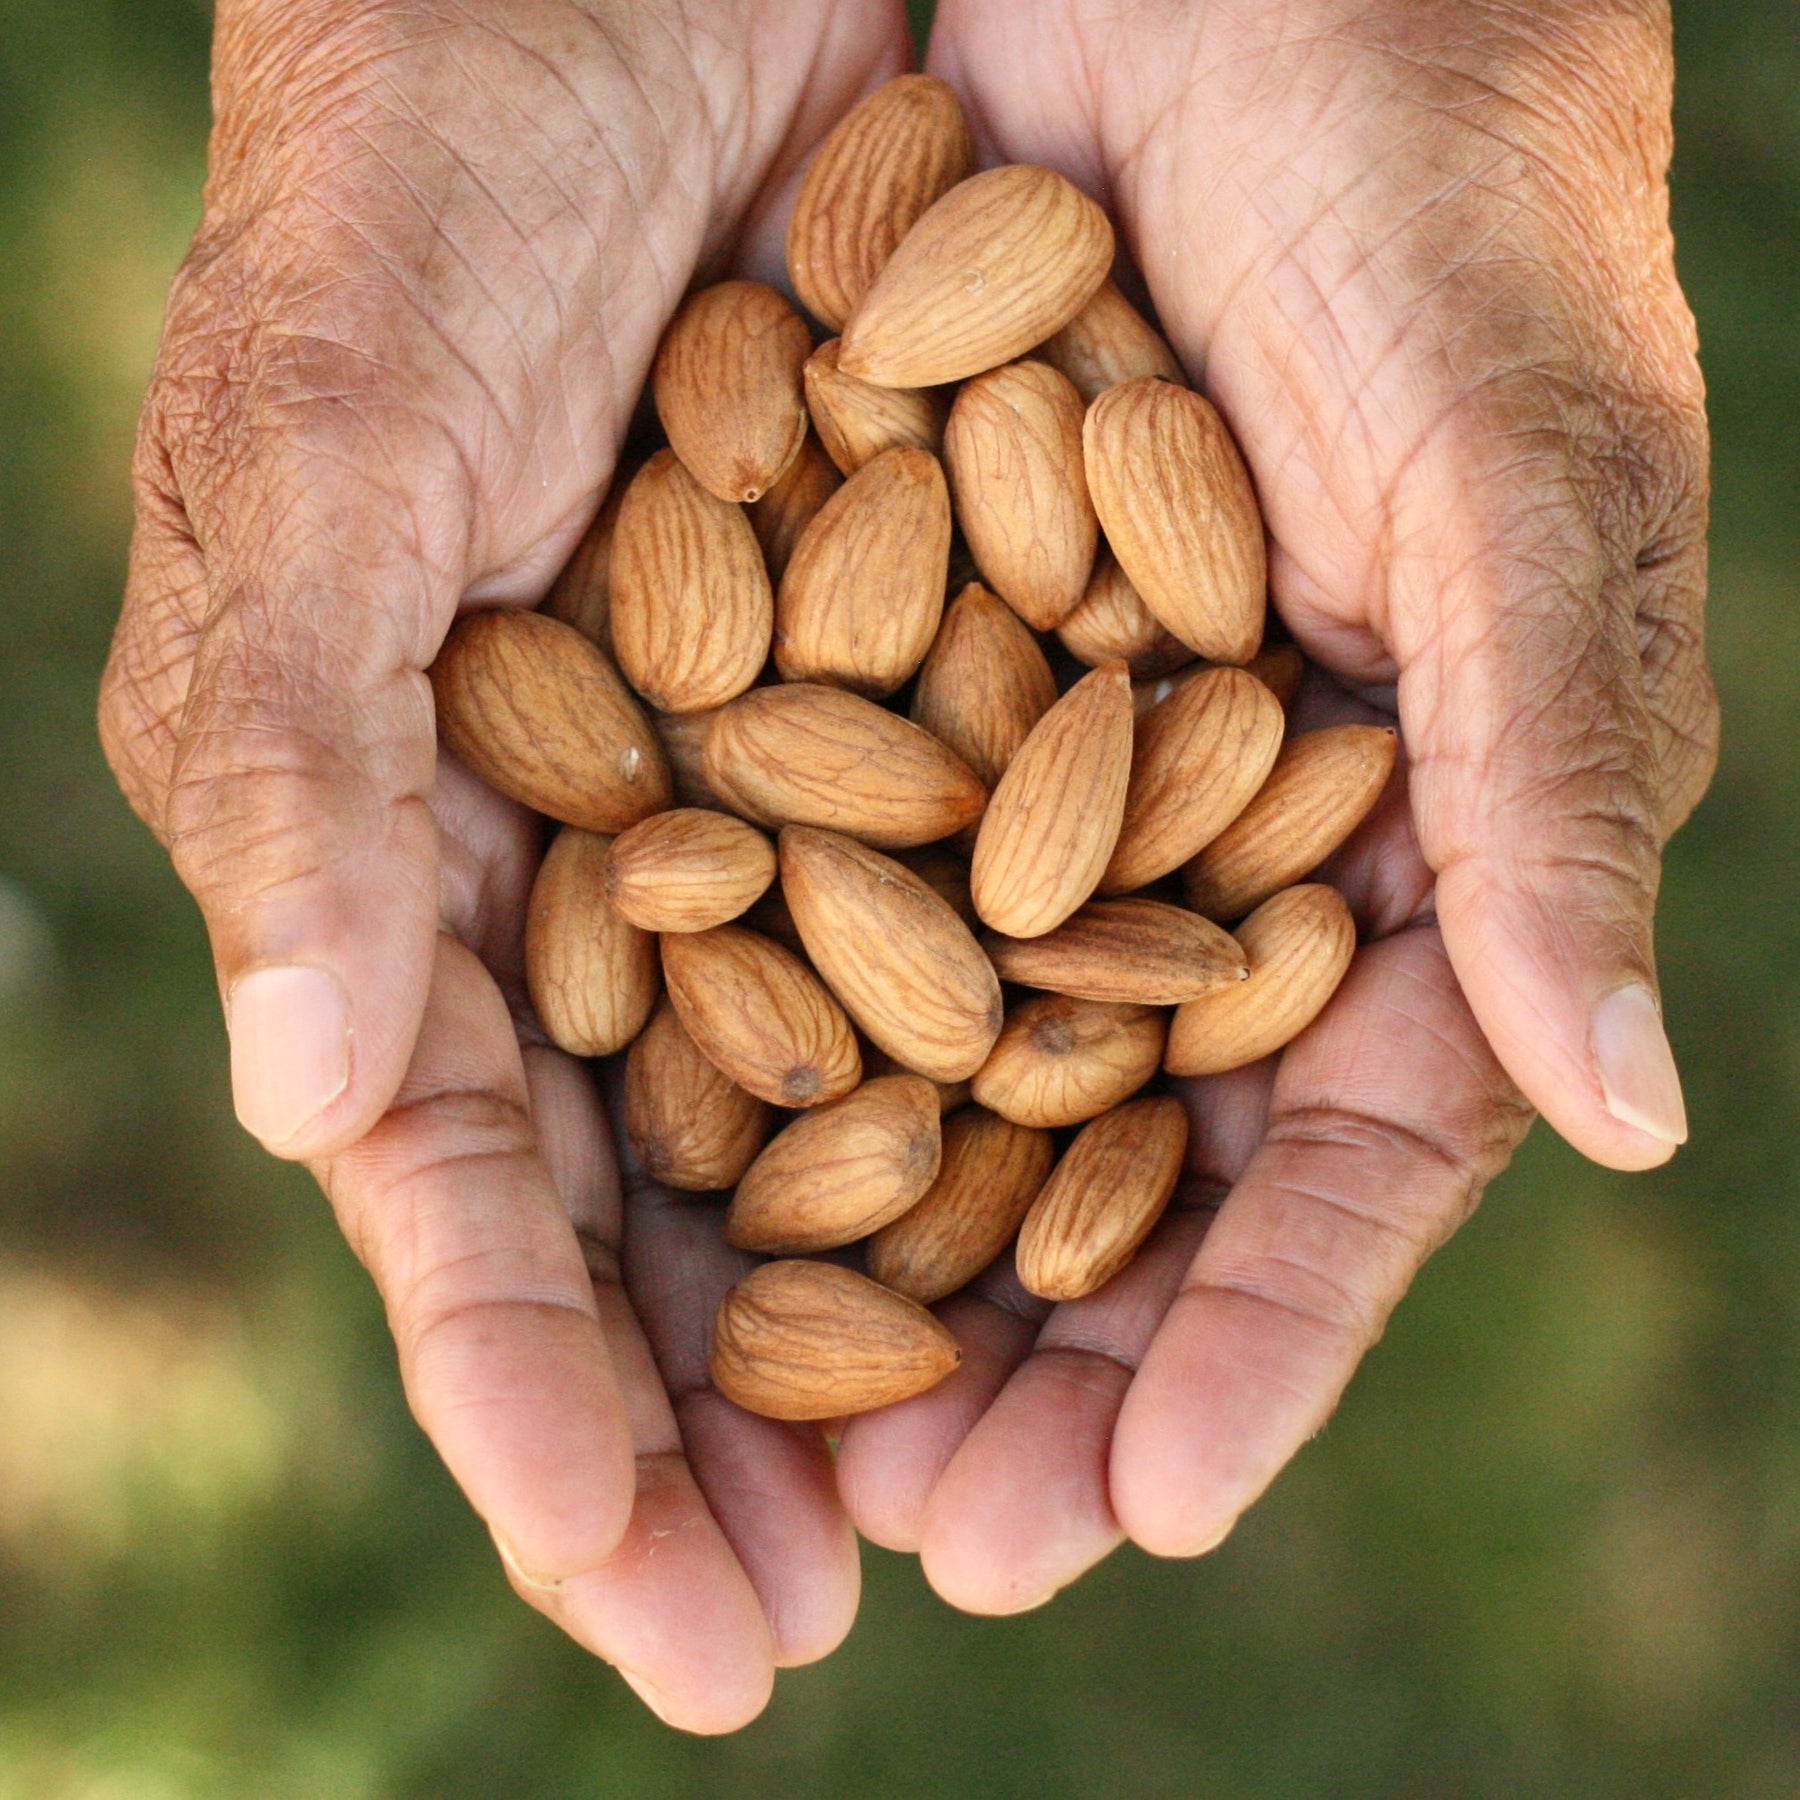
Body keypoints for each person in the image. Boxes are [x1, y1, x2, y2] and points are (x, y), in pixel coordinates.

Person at [97, 0, 1715, 1734]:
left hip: (948, 812)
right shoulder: (779, 694)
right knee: (985, 916)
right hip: (864, 812)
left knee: (1013, 913)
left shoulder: (989, 713)